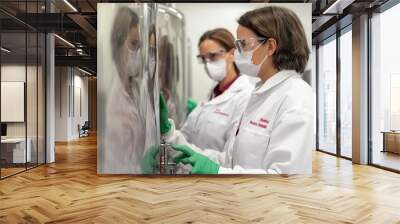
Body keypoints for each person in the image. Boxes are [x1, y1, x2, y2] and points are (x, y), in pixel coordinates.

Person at [166, 6, 313, 174]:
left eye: (243, 44)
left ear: (270, 46)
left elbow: (286, 178)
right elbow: (229, 160)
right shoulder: (259, 95)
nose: (237, 53)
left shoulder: (296, 96)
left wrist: (216, 172)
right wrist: (171, 136)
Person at [160, 28, 254, 153]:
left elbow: (230, 157)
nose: (207, 63)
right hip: (193, 169)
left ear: (232, 54)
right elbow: (186, 136)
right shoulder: (213, 93)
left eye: (213, 56)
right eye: (203, 58)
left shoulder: (245, 97)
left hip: (214, 171)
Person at [104, 7, 151, 173]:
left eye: (139, 47)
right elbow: (117, 162)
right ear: (118, 44)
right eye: (133, 45)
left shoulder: (135, 88)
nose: (137, 53)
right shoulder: (112, 98)